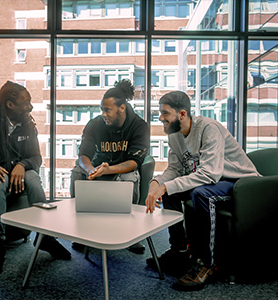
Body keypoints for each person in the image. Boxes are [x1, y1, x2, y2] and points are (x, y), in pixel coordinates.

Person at [145, 91, 260, 291]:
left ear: (182, 114)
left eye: (165, 113)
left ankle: (206, 263)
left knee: (202, 194)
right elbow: (175, 169)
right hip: (213, 180)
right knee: (170, 192)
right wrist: (156, 183)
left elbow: (210, 175)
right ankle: (180, 250)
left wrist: (166, 185)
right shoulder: (175, 135)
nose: (160, 118)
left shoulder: (208, 128)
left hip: (239, 183)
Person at [0, 81, 71, 277]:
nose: (30, 106)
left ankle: (45, 237)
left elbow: (36, 157)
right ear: (10, 105)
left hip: (20, 173)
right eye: (25, 103)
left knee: (33, 178)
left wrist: (22, 165)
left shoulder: (28, 125)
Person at [70, 79, 150, 254]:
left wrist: (109, 170)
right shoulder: (95, 124)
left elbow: (134, 162)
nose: (103, 114)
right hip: (99, 169)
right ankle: (81, 231)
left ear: (121, 108)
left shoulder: (139, 126)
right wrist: (91, 170)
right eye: (102, 110)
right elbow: (83, 155)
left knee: (130, 178)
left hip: (121, 170)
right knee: (77, 171)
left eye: (107, 110)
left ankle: (131, 233)